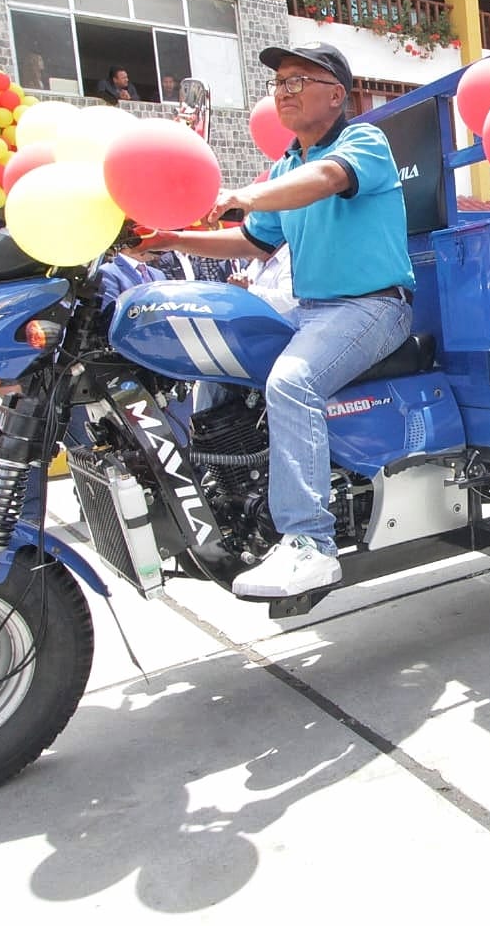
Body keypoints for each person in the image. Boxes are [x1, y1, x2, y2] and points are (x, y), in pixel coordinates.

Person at [137, 42, 413, 599]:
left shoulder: (364, 142)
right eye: (278, 82)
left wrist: (247, 192)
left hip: (373, 307)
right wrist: (170, 237)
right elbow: (251, 241)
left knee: (292, 381)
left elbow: (328, 179)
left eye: (296, 80)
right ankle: (237, 518)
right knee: (218, 365)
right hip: (311, 310)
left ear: (335, 95)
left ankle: (310, 543)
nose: (283, 91)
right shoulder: (287, 165)